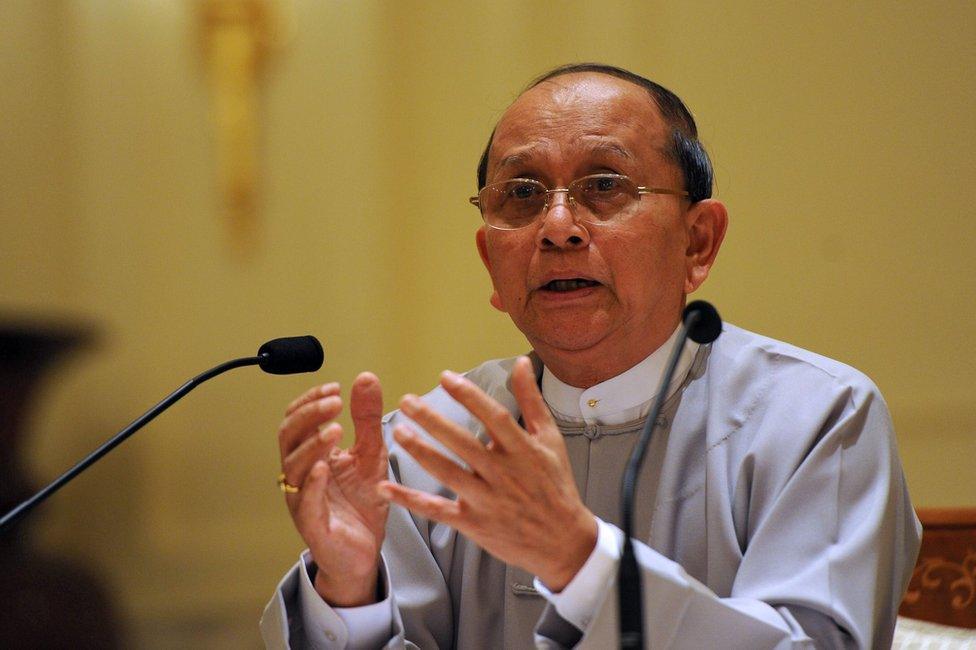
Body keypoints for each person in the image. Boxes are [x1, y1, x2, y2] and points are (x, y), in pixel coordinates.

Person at [260, 63, 921, 649]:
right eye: (521, 195)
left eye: (604, 186)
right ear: (492, 262)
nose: (557, 227)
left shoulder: (819, 419)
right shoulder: (428, 445)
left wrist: (581, 561)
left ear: (698, 243)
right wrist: (349, 591)